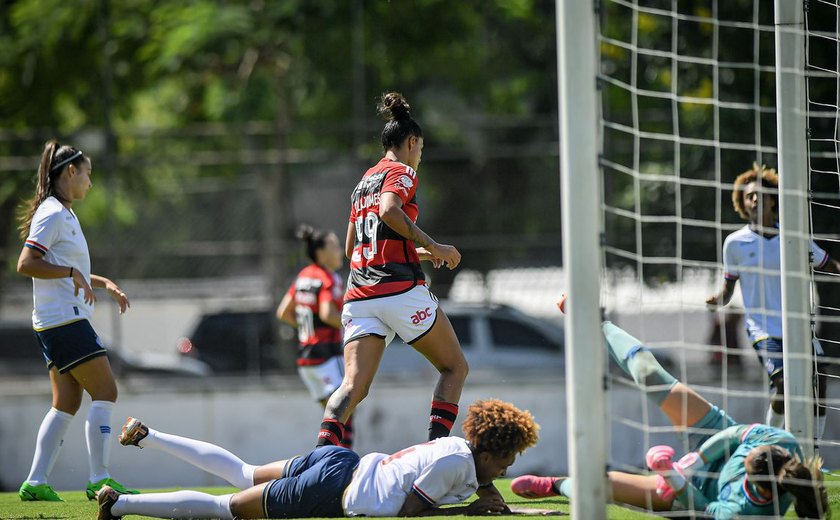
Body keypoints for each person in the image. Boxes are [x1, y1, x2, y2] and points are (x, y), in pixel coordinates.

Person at [511, 296, 828, 519]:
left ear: (758, 488)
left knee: (601, 486)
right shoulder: (782, 444)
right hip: (711, 437)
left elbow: (703, 508)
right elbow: (735, 435)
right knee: (651, 375)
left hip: (692, 493)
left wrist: (674, 476)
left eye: (744, 467)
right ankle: (596, 320)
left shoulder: (740, 514)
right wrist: (696, 458)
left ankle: (555, 485)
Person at [315, 92, 468, 448]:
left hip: (359, 298)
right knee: (455, 368)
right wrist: (434, 246)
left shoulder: (361, 183)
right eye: (421, 150)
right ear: (412, 142)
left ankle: (319, 460)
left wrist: (417, 254)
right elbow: (388, 210)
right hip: (399, 292)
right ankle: (435, 454)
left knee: (352, 387)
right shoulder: (401, 172)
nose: (419, 158)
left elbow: (355, 249)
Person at [97, 398, 540, 519]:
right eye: (508, 459)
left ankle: (148, 436)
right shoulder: (460, 466)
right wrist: (468, 511)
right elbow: (407, 513)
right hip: (334, 491)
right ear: (491, 450)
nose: (508, 470)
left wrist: (487, 494)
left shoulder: (458, 450)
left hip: (339, 460)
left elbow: (472, 475)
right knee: (224, 509)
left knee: (243, 473)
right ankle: (120, 504)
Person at [15, 141, 138, 501]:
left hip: (54, 323)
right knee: (106, 391)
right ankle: (99, 477)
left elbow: (71, 270)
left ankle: (36, 482)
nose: (90, 182)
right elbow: (26, 263)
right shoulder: (52, 213)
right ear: (70, 172)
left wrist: (102, 282)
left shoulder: (62, 212)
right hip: (64, 322)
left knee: (66, 401)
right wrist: (72, 272)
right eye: (87, 174)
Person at [705, 164, 840, 439]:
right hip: (763, 328)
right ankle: (769, 440)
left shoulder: (793, 237)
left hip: (799, 326)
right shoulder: (735, 243)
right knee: (784, 383)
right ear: (742, 203)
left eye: (761, 195)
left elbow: (827, 263)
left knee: (819, 381)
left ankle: (811, 451)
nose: (755, 200)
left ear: (773, 199)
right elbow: (729, 288)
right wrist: (718, 299)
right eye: (749, 196)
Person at [276, 224, 355, 447]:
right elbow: (327, 313)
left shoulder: (303, 276)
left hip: (306, 359)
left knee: (334, 415)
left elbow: (283, 312)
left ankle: (333, 461)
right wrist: (352, 321)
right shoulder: (328, 278)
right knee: (344, 414)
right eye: (335, 246)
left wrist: (305, 329)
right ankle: (341, 466)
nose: (340, 251)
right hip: (327, 355)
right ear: (321, 252)